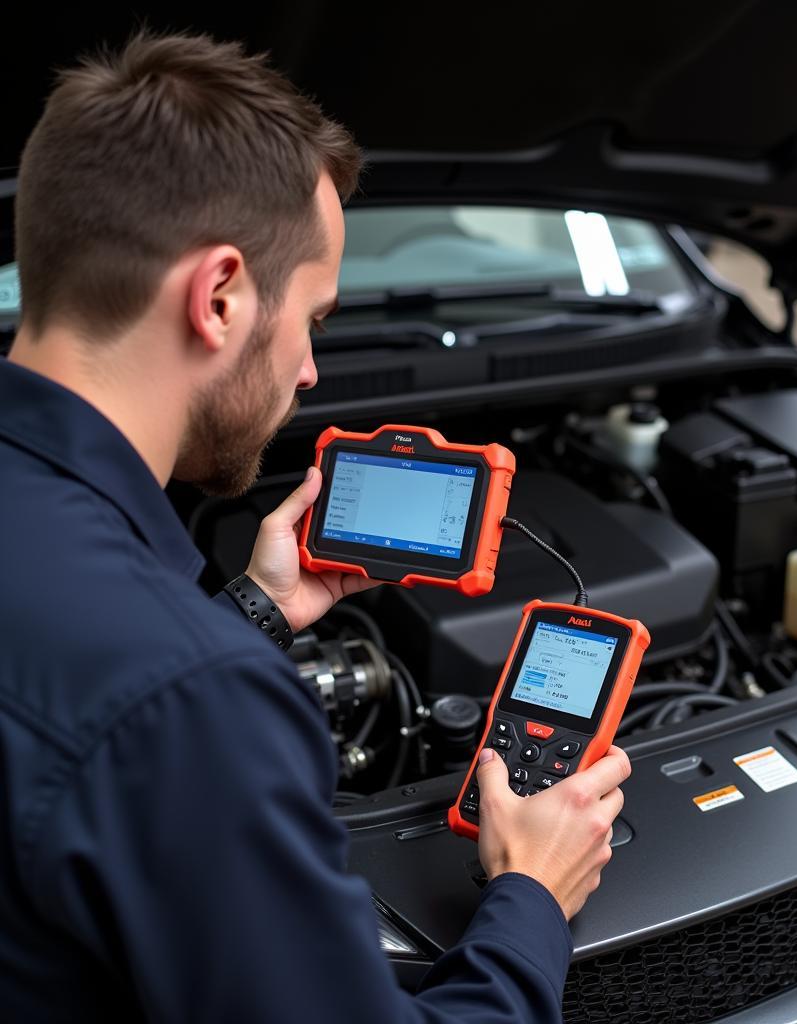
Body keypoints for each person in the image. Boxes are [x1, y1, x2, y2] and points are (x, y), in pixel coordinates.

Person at [0, 29, 631, 1023]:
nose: (309, 374)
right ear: (218, 296)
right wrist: (532, 898)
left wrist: (251, 611)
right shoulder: (192, 707)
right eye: (317, 321)